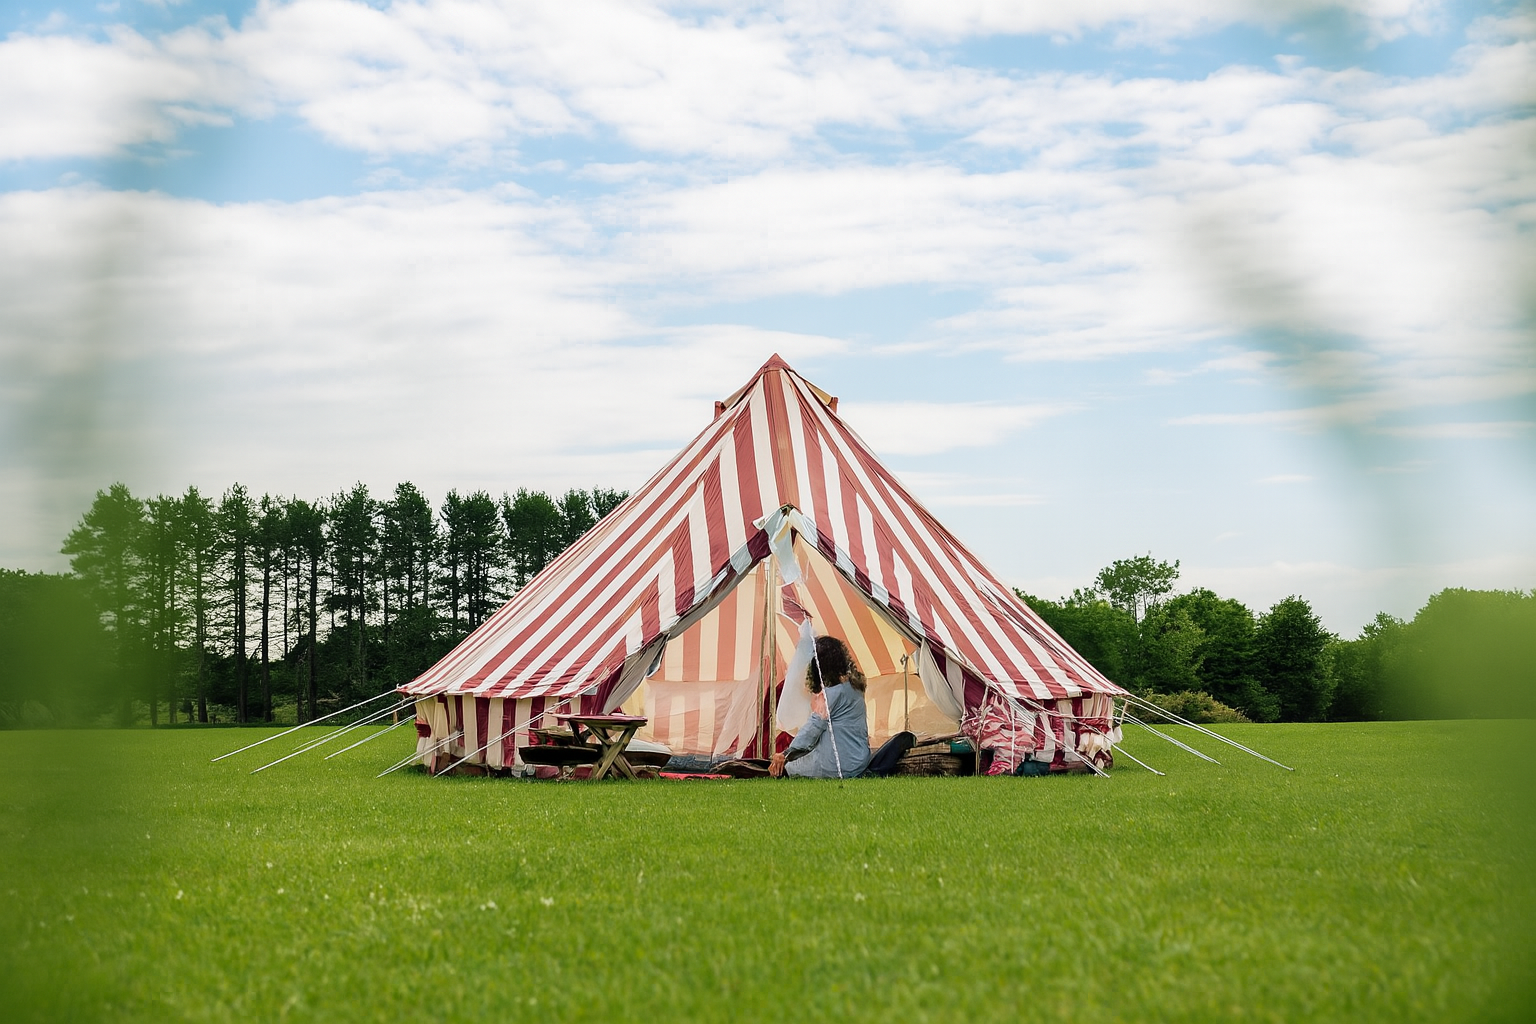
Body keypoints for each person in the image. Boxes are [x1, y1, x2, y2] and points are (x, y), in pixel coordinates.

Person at [770, 635, 870, 778]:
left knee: (786, 768)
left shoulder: (830, 694)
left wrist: (785, 754)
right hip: (860, 762)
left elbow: (812, 730)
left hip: (835, 766)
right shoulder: (855, 689)